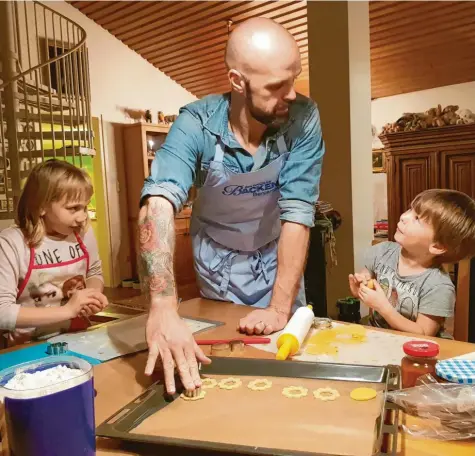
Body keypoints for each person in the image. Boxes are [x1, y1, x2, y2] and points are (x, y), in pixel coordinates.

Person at [138, 17, 325, 394]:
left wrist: (278, 307)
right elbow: (156, 203)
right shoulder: (197, 123)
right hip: (219, 263)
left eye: (294, 78)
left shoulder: (303, 118)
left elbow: (298, 211)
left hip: (277, 259)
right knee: (226, 367)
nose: (290, 94)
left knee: (287, 366)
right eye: (276, 86)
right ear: (237, 81)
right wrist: (162, 306)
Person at [0, 159, 108, 346]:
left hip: (78, 337)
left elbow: (94, 272)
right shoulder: (12, 242)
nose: (82, 217)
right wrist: (68, 310)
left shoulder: (83, 233)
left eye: (85, 207)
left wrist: (92, 295)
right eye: (73, 208)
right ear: (42, 206)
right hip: (27, 346)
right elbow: (2, 312)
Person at [349, 189, 475, 337]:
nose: (404, 216)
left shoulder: (438, 286)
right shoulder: (382, 252)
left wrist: (383, 307)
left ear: (437, 246)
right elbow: (366, 277)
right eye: (410, 209)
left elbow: (424, 333)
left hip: (418, 351)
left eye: (417, 218)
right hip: (379, 338)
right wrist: (360, 287)